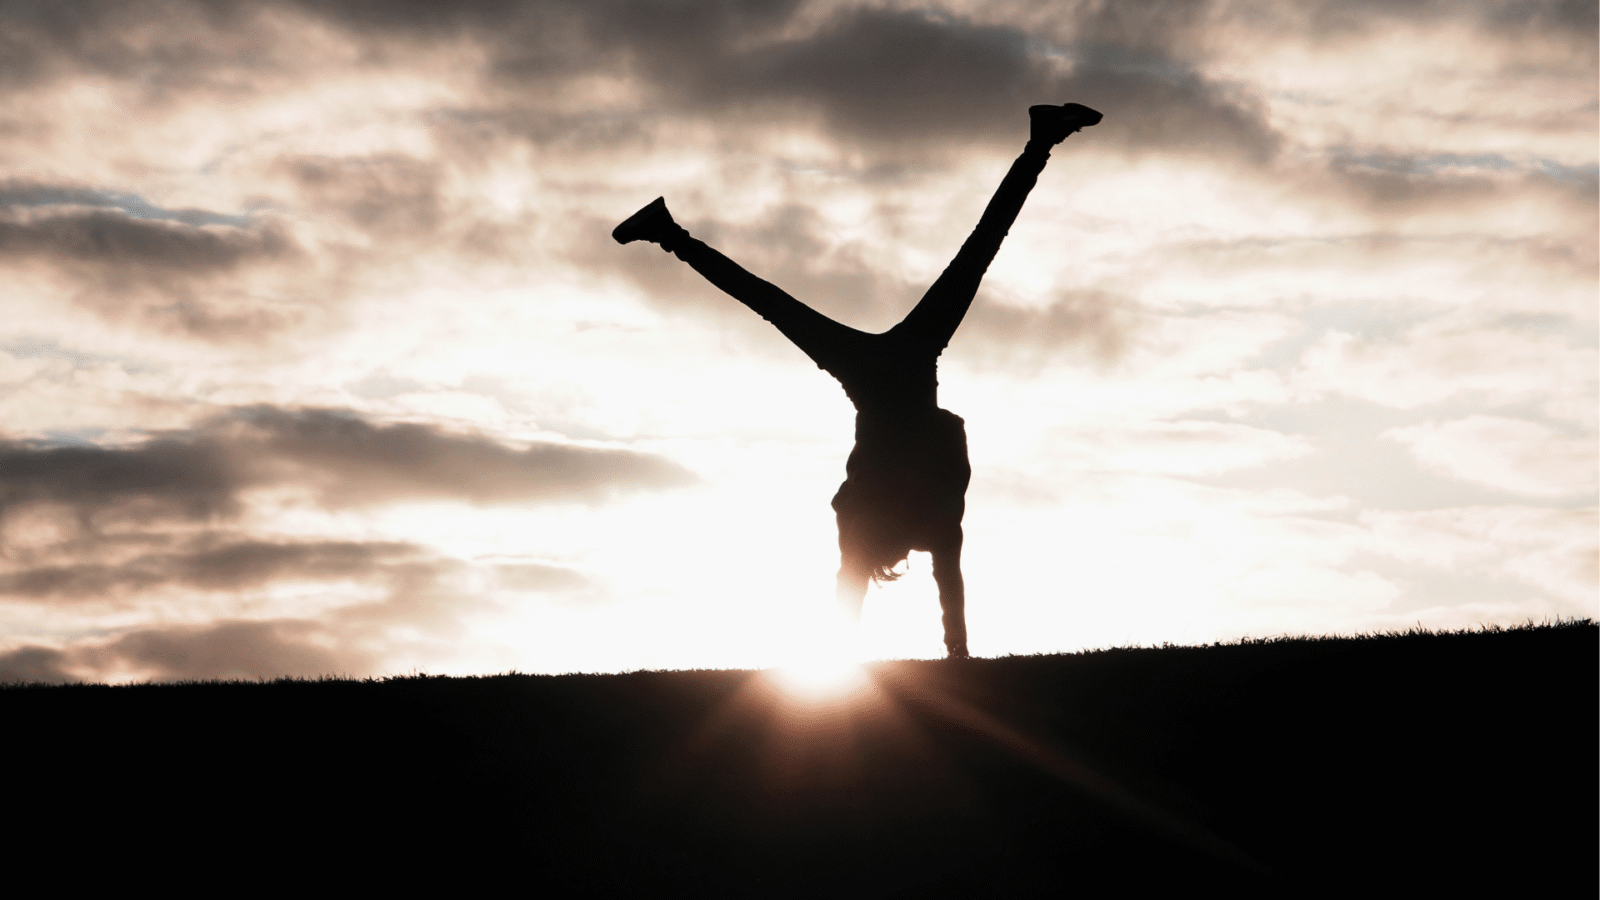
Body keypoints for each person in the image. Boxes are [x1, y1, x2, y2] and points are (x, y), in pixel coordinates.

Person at [613, 103, 1102, 659]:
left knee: (970, 257)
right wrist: (949, 655)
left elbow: (940, 587)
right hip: (877, 372)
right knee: (779, 299)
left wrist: (956, 652)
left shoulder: (930, 524)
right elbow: (864, 585)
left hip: (899, 366)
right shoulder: (887, 522)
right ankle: (667, 232)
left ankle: (1041, 143)